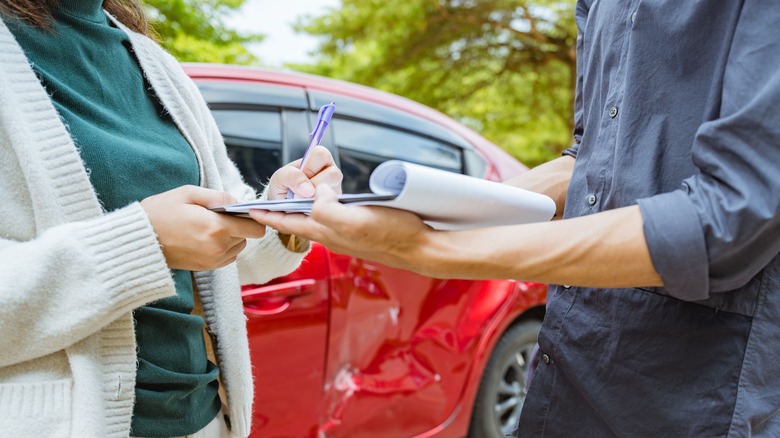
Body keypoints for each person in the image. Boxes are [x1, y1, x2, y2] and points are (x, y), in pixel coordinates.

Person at [249, 1, 780, 436]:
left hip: (691, 396)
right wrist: (443, 208)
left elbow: (729, 214)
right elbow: (592, 161)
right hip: (568, 369)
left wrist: (428, 250)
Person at [0, 1, 341, 437]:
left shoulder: (154, 62)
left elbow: (228, 245)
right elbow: (157, 239)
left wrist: (281, 210)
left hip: (201, 418)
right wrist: (143, 245)